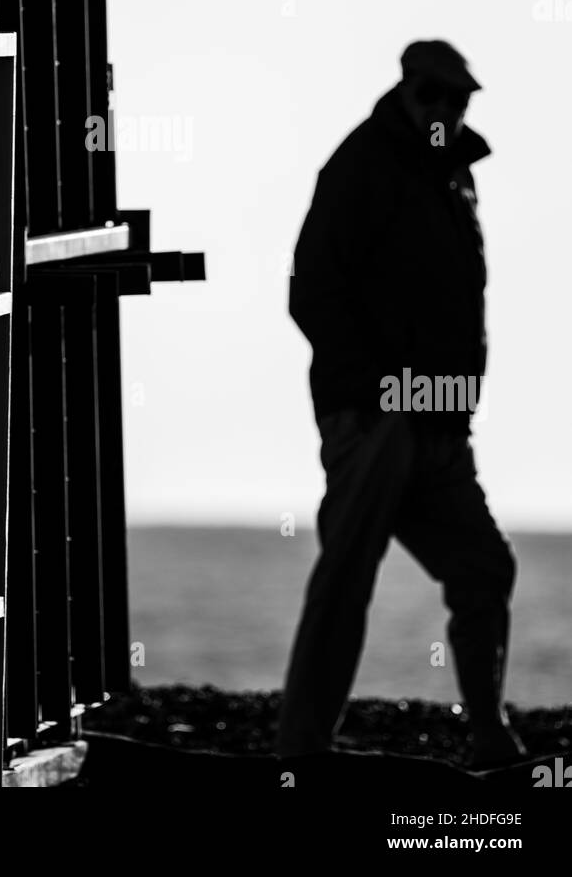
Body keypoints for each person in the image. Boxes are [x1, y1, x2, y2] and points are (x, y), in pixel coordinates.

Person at [277, 40, 525, 770]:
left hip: (440, 425)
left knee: (484, 568)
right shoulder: (361, 168)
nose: (448, 110)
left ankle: (488, 735)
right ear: (408, 91)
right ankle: (301, 749)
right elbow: (313, 290)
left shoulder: (451, 178)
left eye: (460, 99)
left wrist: (446, 409)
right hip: (380, 418)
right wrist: (377, 392)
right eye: (436, 96)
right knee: (347, 577)